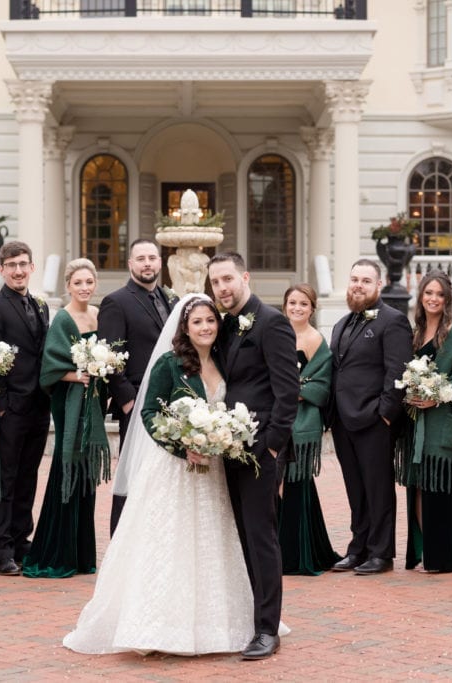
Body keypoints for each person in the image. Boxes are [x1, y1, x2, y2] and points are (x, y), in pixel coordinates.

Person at [63, 295, 255, 655]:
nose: (205, 328)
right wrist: (184, 446)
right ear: (185, 327)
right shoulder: (169, 363)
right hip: (174, 470)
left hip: (211, 471)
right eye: (197, 322)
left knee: (210, 541)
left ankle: (215, 625)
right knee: (170, 541)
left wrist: (221, 439)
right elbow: (149, 413)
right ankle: (158, 627)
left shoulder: (223, 361)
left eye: (210, 321)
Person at [208, 252, 299, 660]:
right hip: (226, 448)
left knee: (262, 538)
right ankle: (251, 616)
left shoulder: (272, 322)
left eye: (228, 279)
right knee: (241, 536)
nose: (222, 288)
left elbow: (287, 392)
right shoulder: (222, 327)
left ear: (245, 277)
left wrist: (274, 446)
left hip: (260, 451)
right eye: (215, 282)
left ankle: (267, 629)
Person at [328, 259, 413, 576]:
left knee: (378, 489)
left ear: (378, 285)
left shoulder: (393, 321)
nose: (358, 285)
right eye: (354, 279)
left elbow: (398, 371)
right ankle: (358, 547)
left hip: (374, 421)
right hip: (342, 421)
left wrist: (386, 415)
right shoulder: (340, 324)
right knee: (355, 489)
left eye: (365, 280)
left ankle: (381, 553)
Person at [23, 259, 107, 579]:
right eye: (78, 283)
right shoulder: (62, 318)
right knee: (67, 464)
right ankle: (56, 552)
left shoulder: (99, 314)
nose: (84, 287)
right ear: (68, 286)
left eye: (89, 282)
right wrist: (77, 375)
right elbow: (50, 368)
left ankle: (82, 554)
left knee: (86, 471)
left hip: (94, 401)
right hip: (69, 400)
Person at [395, 271, 452, 573]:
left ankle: (444, 557)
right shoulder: (415, 331)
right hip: (417, 423)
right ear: (421, 297)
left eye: (439, 295)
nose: (432, 299)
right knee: (416, 486)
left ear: (447, 300)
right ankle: (426, 550)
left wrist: (437, 394)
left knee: (439, 487)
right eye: (428, 293)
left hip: (443, 422)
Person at [0, 241, 51, 576]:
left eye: (24, 264)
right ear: (1, 269)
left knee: (28, 477)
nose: (19, 271)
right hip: (11, 408)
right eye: (12, 265)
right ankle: (1, 547)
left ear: (31, 267)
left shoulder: (37, 305)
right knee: (5, 479)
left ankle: (22, 540)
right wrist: (2, 403)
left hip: (38, 406)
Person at [99, 239, 173, 534]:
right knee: (133, 473)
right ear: (130, 264)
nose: (147, 263)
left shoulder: (169, 299)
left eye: (152, 258)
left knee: (159, 473)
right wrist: (129, 400)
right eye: (140, 258)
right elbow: (109, 355)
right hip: (137, 403)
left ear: (160, 262)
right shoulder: (116, 301)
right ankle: (122, 537)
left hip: (168, 401)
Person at [278, 284, 341, 575]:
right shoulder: (278, 333)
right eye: (292, 303)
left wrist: (293, 391)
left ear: (312, 309)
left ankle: (302, 555)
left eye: (303, 304)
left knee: (297, 484)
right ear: (285, 305)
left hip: (302, 422)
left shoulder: (316, 339)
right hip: (277, 418)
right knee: (275, 487)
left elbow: (321, 384)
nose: (297, 308)